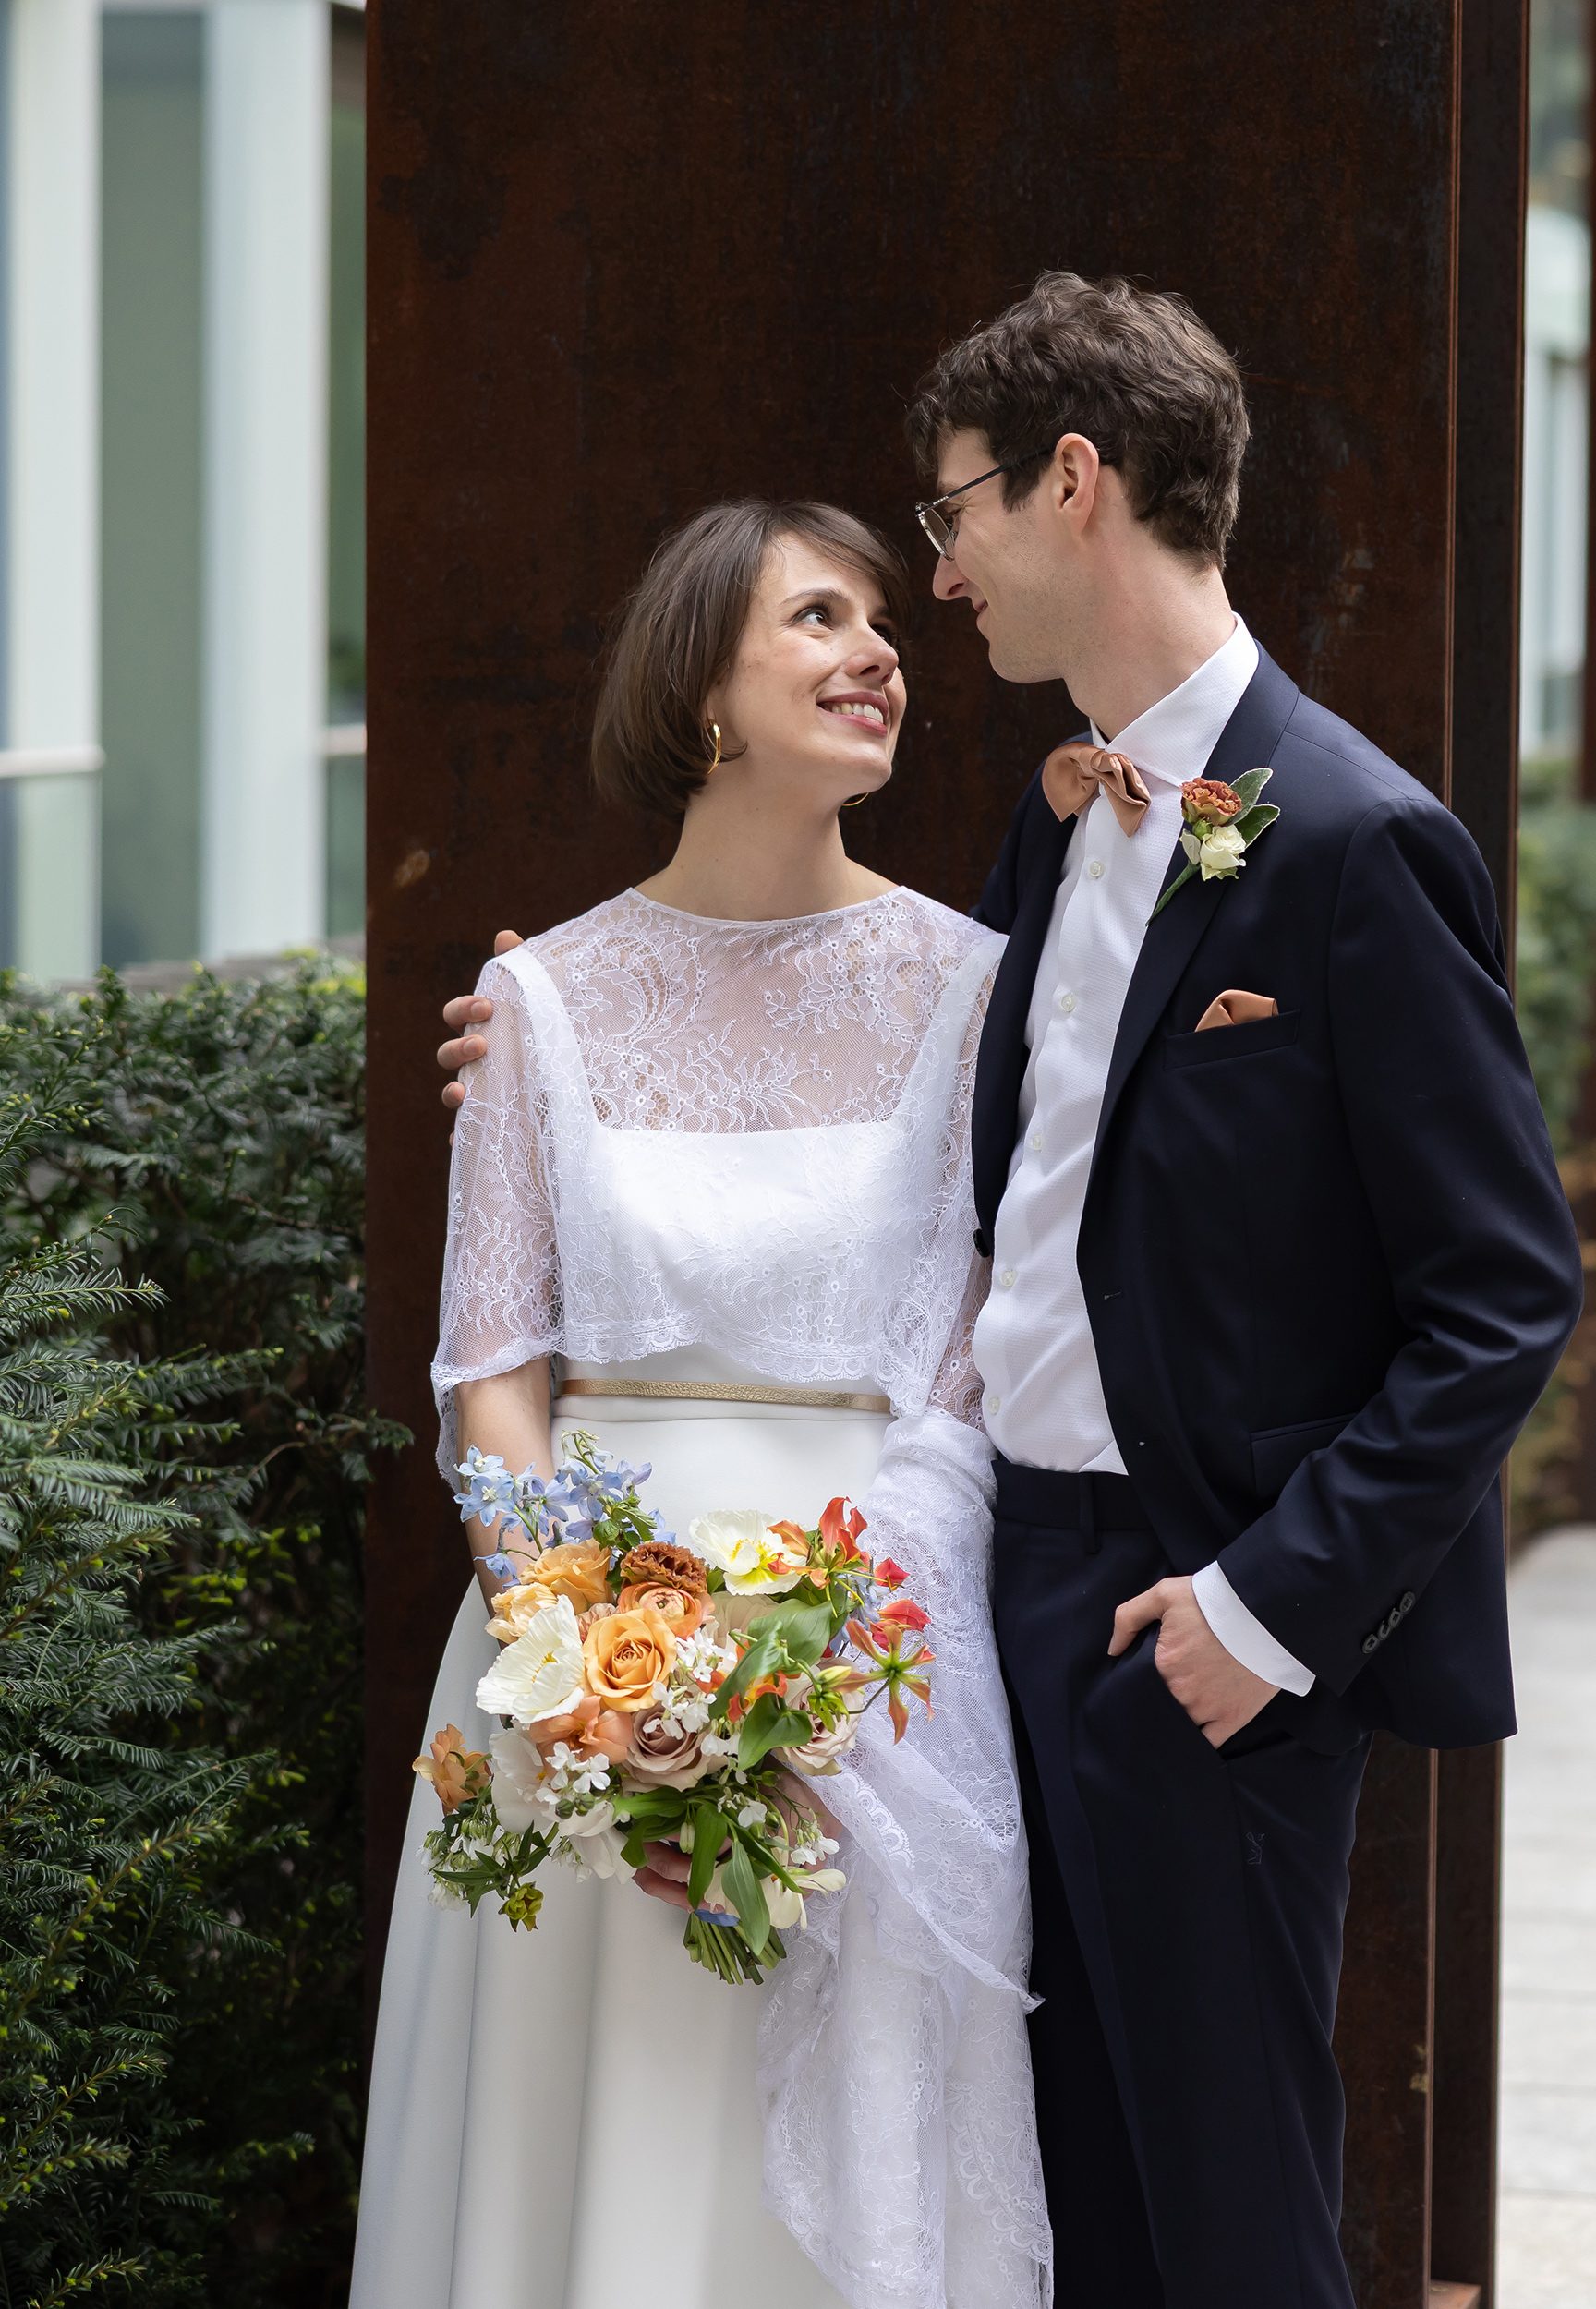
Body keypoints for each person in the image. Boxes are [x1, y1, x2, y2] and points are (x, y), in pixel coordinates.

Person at [441, 274, 1584, 2307]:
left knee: (1235, 2226)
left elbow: (1499, 1293)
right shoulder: (1053, 836)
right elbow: (892, 1112)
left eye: (953, 513)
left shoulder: (1343, 838)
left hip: (1194, 1617)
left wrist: (1262, 1612)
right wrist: (548, 1040)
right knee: (1072, 2228)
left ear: (1073, 484)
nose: (935, 570)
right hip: (988, 1609)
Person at [355, 500, 1052, 2309]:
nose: (879, 647)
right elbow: (490, 1369)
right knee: (608, 2151)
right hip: (577, 1647)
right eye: (818, 614)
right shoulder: (540, 1000)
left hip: (869, 1647)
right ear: (702, 688)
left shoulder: (978, 990)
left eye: (885, 617)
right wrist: (589, 1656)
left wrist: (812, 1665)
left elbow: (978, 1358)